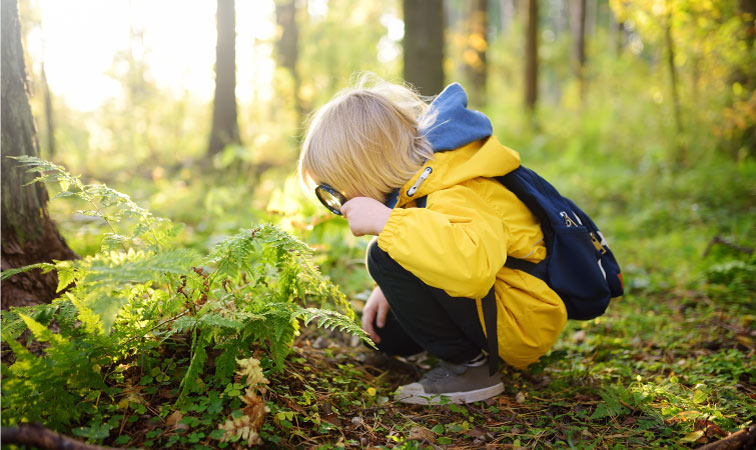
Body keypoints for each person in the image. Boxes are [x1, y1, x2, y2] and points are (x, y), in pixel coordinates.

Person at [297, 74, 567, 405]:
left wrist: (387, 224)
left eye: (334, 190)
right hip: (500, 305)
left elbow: (473, 267)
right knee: (388, 334)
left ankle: (470, 370)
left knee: (381, 254)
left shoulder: (455, 185)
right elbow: (435, 237)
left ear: (365, 170)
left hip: (520, 318)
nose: (338, 202)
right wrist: (389, 287)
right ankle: (453, 351)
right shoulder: (421, 183)